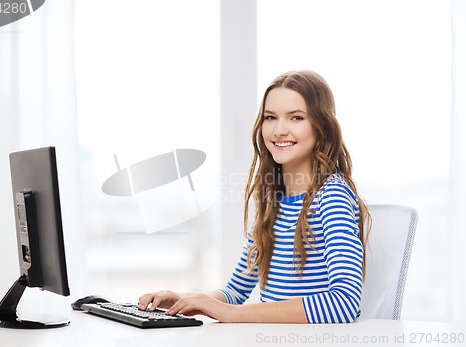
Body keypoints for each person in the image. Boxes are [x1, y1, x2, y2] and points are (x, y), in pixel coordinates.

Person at [137, 70, 370, 324]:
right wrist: (187, 300)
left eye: (296, 118)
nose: (279, 130)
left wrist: (233, 314)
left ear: (321, 127)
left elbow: (344, 303)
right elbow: (235, 292)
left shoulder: (331, 195)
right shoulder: (275, 202)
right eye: (271, 117)